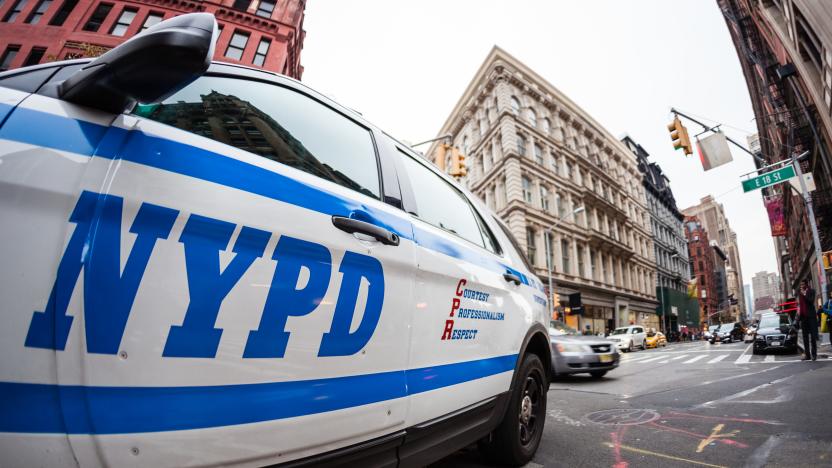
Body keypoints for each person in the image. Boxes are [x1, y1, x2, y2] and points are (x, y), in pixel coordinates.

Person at [797, 280, 818, 361]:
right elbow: (800, 305)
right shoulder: (800, 293)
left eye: (803, 284)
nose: (801, 286)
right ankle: (807, 355)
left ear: (806, 284)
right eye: (801, 284)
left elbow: (811, 301)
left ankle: (814, 354)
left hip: (811, 317)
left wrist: (804, 294)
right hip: (803, 318)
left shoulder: (812, 291)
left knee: (813, 337)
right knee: (805, 338)